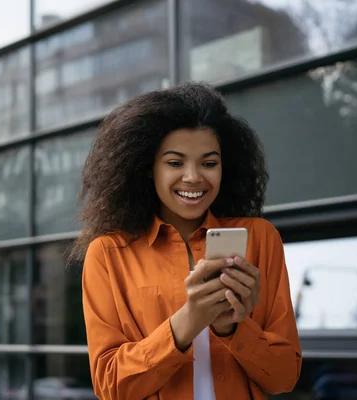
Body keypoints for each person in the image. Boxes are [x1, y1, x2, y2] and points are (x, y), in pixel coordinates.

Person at [69, 82, 302, 400]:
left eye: (209, 163)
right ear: (148, 169)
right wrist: (190, 320)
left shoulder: (260, 239)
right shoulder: (109, 254)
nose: (193, 177)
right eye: (175, 163)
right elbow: (111, 386)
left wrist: (232, 328)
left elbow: (283, 377)